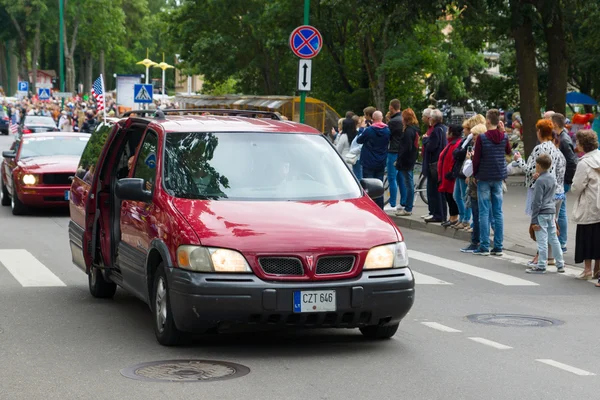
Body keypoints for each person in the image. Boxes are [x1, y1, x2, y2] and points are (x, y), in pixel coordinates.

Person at [513, 119, 564, 264]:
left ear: (540, 132)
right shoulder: (553, 147)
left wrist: (518, 160)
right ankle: (551, 257)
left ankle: (539, 257)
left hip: (538, 187)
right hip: (553, 188)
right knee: (551, 225)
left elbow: (531, 169)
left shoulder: (539, 148)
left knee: (539, 223)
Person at [472, 109, 511, 256]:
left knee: (484, 212)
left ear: (488, 121)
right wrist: (503, 131)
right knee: (498, 212)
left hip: (484, 177)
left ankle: (484, 246)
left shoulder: (482, 138)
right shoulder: (504, 136)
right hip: (498, 177)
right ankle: (498, 246)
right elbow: (508, 151)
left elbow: (477, 158)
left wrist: (475, 174)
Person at [526, 154, 565, 274]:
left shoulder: (540, 181)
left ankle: (541, 265)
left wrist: (534, 220)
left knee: (542, 239)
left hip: (541, 213)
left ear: (538, 165)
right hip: (551, 211)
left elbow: (537, 201)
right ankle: (560, 264)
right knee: (553, 239)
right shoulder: (552, 178)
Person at [570, 130, 600, 281]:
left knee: (586, 236)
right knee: (598, 237)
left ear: (583, 145)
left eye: (578, 142)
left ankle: (587, 270)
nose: (576, 145)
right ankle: (597, 269)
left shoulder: (584, 163)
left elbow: (577, 187)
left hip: (588, 204)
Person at [551, 113, 578, 252]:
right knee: (560, 210)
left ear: (555, 124)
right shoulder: (561, 137)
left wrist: (567, 181)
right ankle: (561, 242)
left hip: (563, 182)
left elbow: (572, 161)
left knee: (560, 211)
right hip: (562, 181)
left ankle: (561, 242)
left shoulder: (564, 140)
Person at [460, 123, 488, 252]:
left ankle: (477, 241)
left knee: (478, 215)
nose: (473, 137)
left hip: (477, 183)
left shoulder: (479, 148)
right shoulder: (478, 146)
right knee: (479, 214)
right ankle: (481, 241)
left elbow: (469, 168)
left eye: (475, 134)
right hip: (476, 182)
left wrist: (468, 159)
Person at [357, 110, 391, 209]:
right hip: (380, 162)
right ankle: (380, 208)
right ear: (382, 118)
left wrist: (361, 129)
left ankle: (369, 207)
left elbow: (359, 140)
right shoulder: (387, 131)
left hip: (368, 161)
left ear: (373, 119)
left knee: (368, 187)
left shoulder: (369, 130)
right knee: (379, 186)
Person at [423, 109, 448, 223]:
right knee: (440, 190)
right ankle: (441, 214)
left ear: (432, 119)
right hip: (441, 163)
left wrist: (425, 140)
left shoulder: (435, 131)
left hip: (434, 163)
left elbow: (431, 147)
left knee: (434, 190)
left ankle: (437, 214)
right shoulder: (444, 129)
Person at [394, 108, 420, 216]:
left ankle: (408, 208)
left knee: (408, 184)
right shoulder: (415, 129)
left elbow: (405, 148)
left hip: (406, 161)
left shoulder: (408, 131)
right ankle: (408, 206)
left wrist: (399, 160)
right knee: (408, 183)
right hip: (411, 159)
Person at [438, 124, 463, 226]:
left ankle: (454, 217)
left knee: (451, 196)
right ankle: (452, 216)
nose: (446, 133)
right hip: (446, 174)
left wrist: (451, 172)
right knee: (448, 196)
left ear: (452, 133)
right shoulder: (451, 143)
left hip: (450, 175)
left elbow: (454, 160)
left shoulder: (456, 144)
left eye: (448, 131)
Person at [387, 99, 403, 211]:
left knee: (392, 178)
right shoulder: (403, 119)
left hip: (393, 151)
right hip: (402, 151)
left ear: (391, 107)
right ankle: (403, 202)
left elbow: (388, 136)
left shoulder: (393, 122)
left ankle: (392, 203)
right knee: (401, 178)